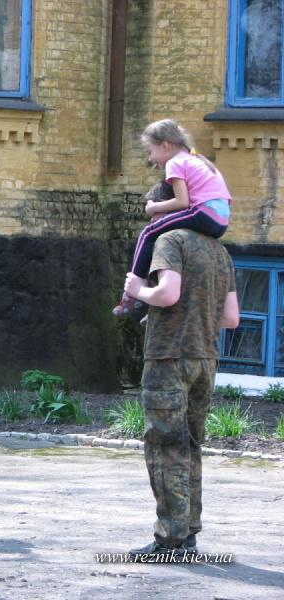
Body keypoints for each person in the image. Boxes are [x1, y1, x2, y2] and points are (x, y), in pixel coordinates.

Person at [124, 228, 239, 557]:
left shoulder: (169, 240)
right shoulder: (219, 251)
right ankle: (187, 533)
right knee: (189, 445)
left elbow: (167, 294)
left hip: (169, 357)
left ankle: (169, 540)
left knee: (165, 446)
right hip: (205, 358)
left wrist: (138, 289)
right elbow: (231, 318)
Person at [114, 119, 233, 315]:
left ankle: (131, 294)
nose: (151, 159)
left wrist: (153, 208)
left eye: (150, 151)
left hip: (205, 213)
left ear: (165, 146)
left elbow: (182, 201)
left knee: (149, 233)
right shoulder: (197, 160)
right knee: (166, 232)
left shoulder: (175, 163)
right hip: (221, 220)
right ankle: (154, 302)